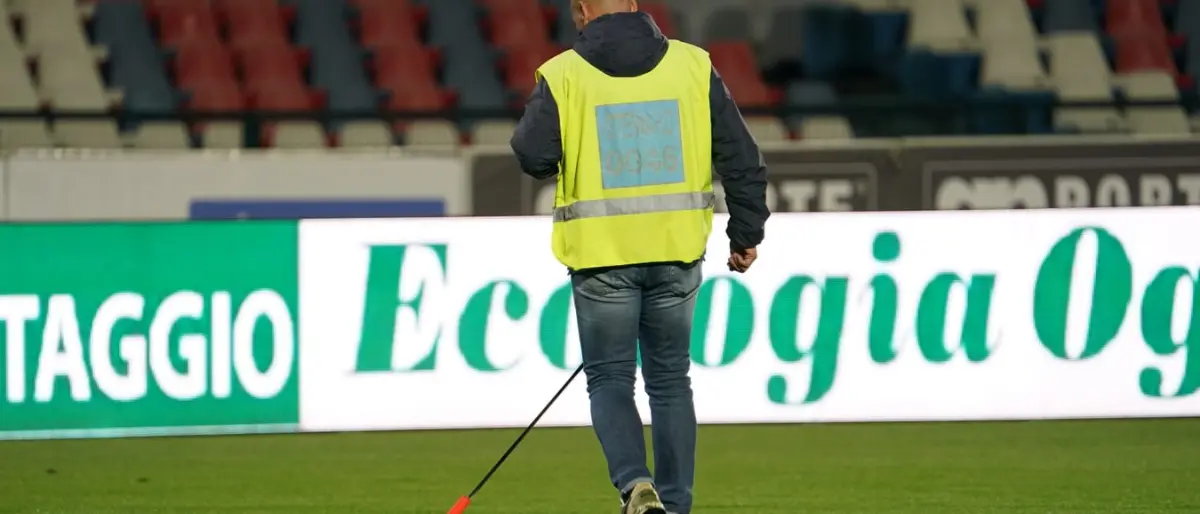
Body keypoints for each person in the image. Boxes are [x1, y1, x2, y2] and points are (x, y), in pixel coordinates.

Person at [510, 0, 769, 513]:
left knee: (610, 379)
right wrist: (745, 234)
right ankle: (673, 504)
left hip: (603, 258)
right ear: (633, 5)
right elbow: (741, 157)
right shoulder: (693, 65)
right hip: (675, 252)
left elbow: (533, 155)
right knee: (671, 381)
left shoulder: (563, 74)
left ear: (582, 12)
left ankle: (634, 485)